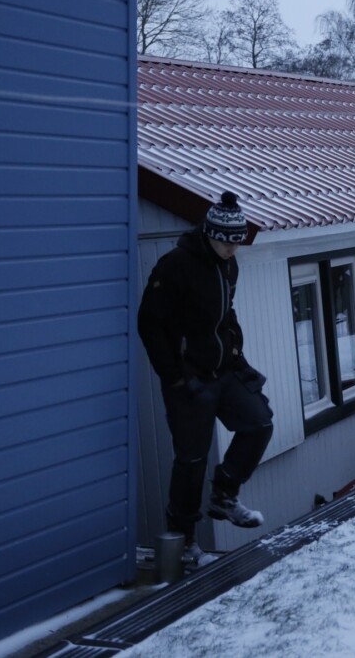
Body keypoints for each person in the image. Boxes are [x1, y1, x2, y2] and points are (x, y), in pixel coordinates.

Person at [138, 191, 274, 565]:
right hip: (188, 378)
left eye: (237, 243)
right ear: (209, 234)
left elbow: (225, 317)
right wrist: (175, 376)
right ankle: (184, 542)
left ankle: (224, 497)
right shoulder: (175, 266)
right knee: (191, 460)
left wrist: (237, 356)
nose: (233, 250)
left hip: (224, 370)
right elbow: (149, 325)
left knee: (259, 423)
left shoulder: (229, 266)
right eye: (226, 243)